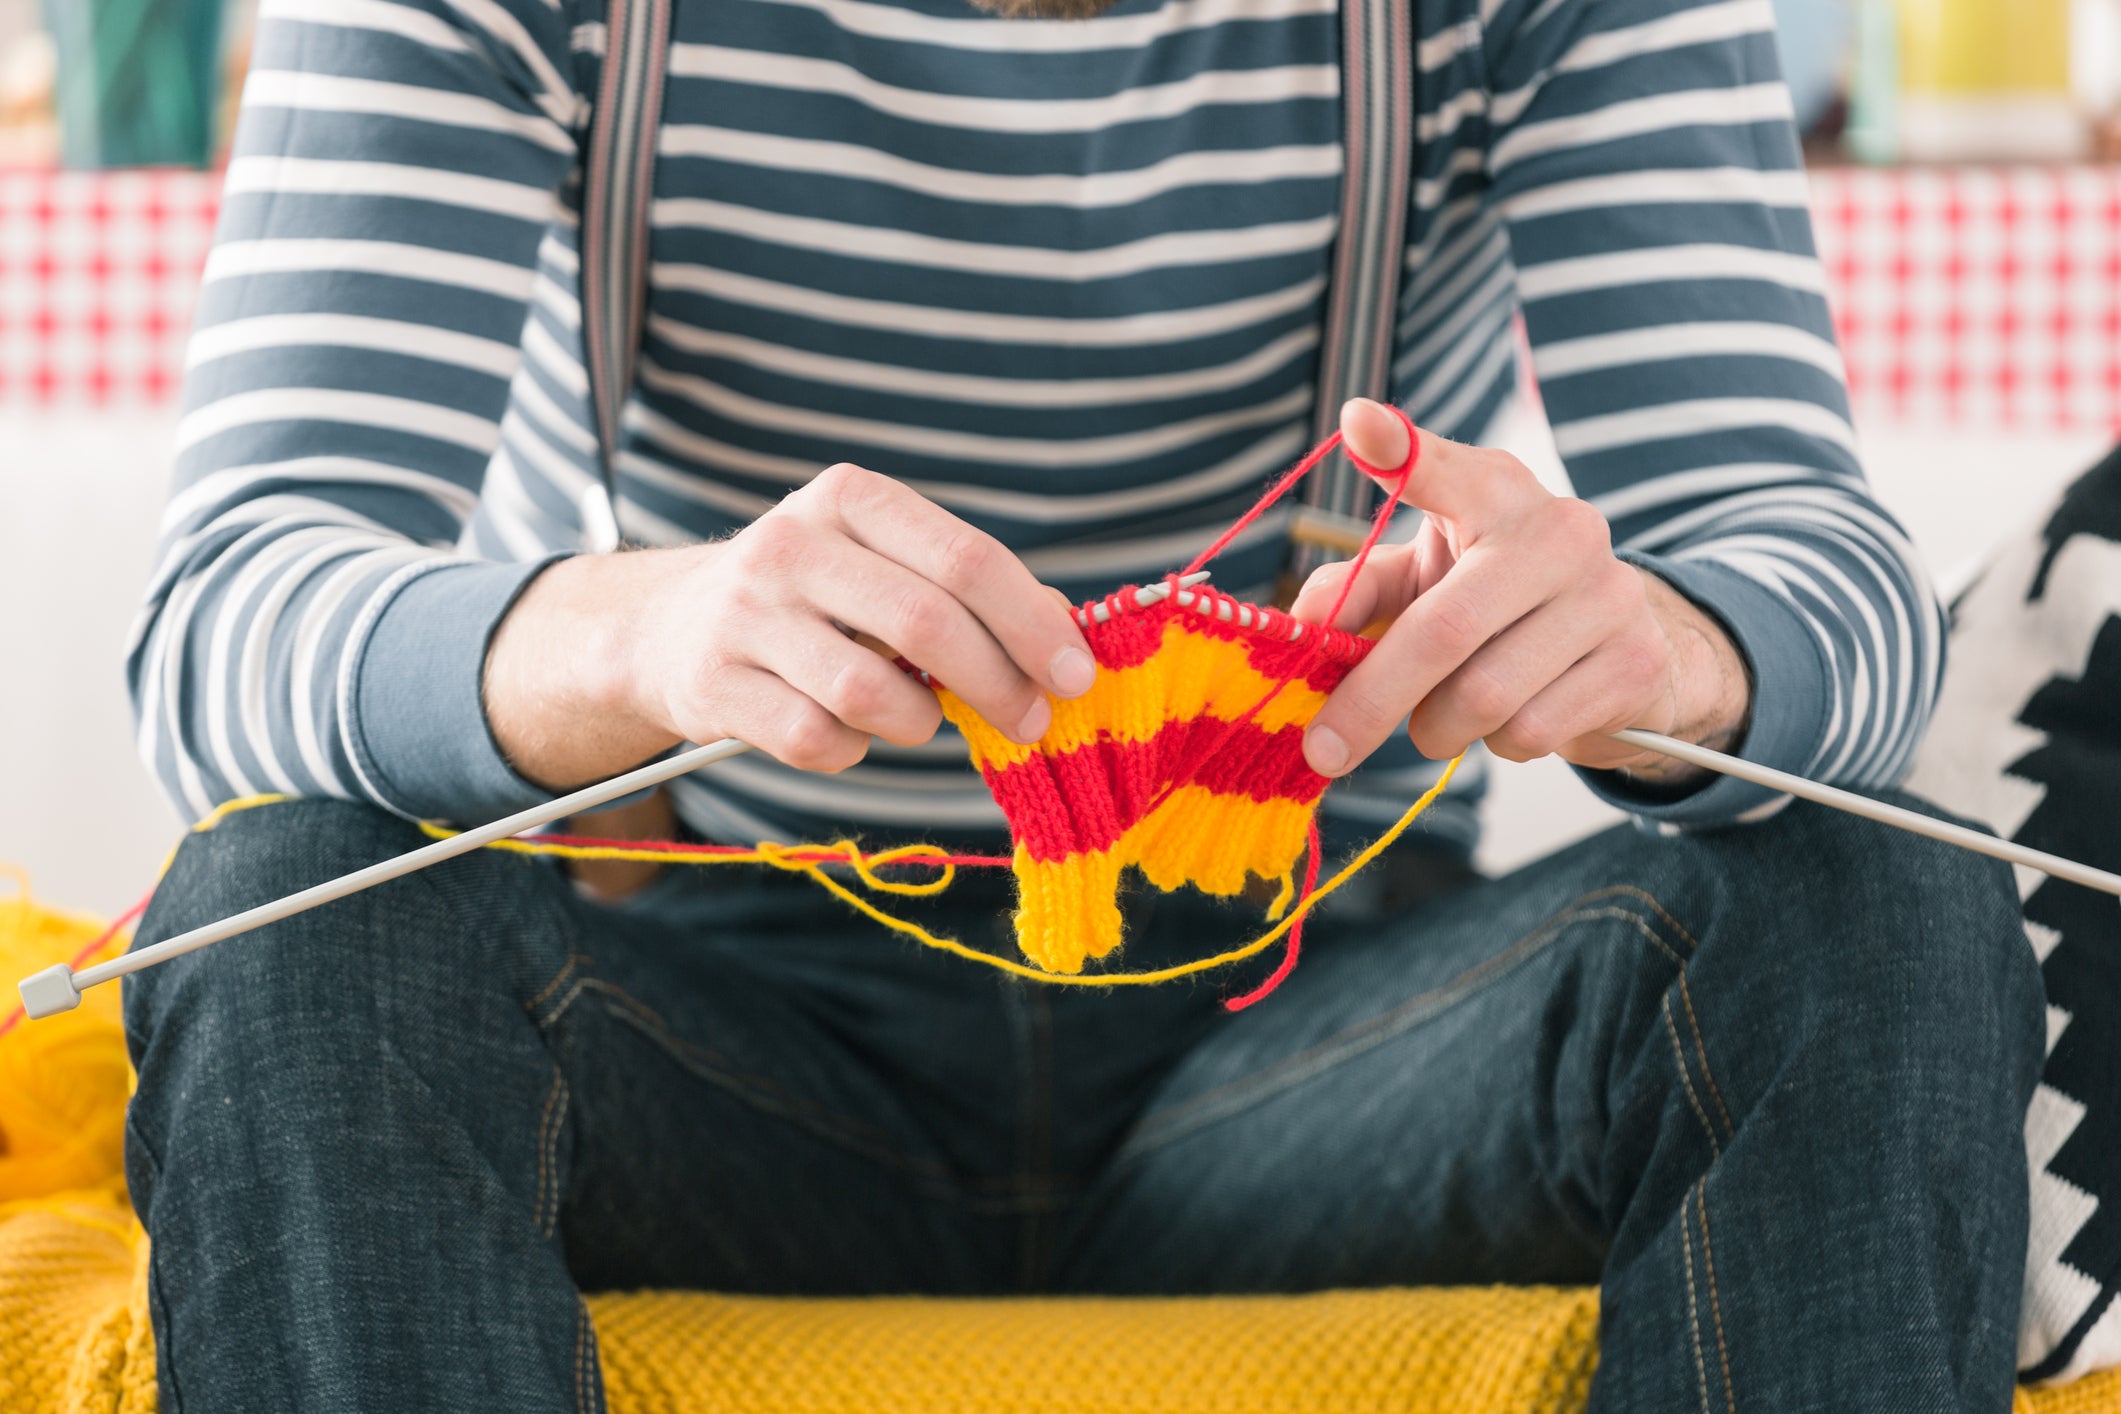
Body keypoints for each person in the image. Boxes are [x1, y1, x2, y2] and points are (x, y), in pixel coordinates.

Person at [122, 0, 2042, 1409]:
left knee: (1872, 895)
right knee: (295, 912)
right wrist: (642, 630)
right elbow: (222, 626)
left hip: (1313, 1055)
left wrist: (1668, 650)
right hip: (711, 1034)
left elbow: (1828, 578)